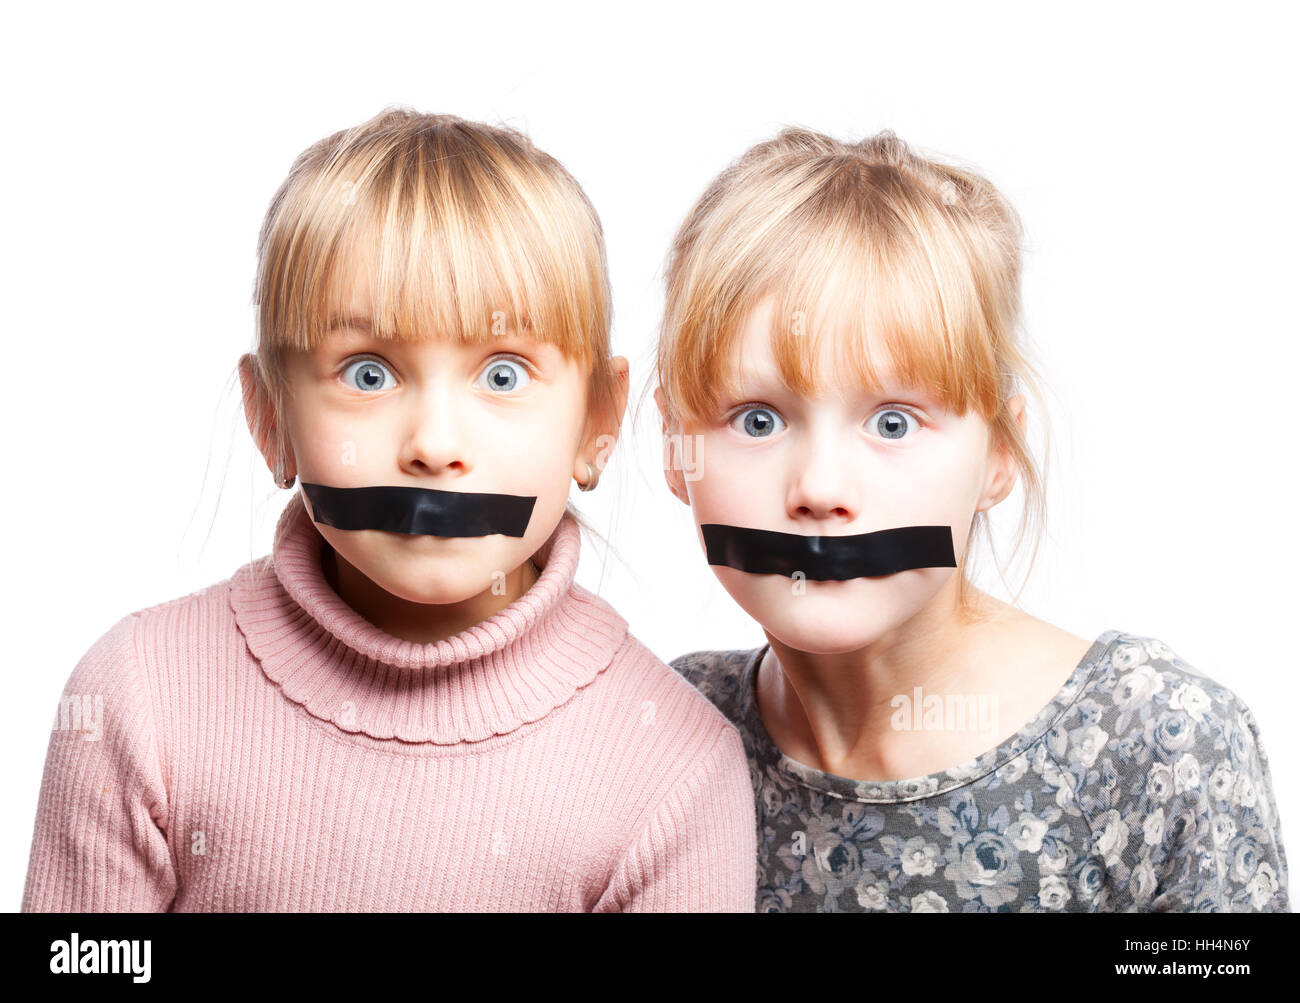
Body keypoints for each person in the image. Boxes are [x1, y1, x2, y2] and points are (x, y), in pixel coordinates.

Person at [22, 107, 755, 912]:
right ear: (270, 417)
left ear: (597, 423)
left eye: (503, 374)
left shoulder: (674, 768)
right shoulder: (138, 699)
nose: (434, 444)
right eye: (368, 373)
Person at [652, 126, 1287, 912]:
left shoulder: (1156, 745)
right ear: (674, 447)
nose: (818, 488)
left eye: (893, 423)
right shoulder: (668, 729)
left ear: (998, 455)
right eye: (756, 420)